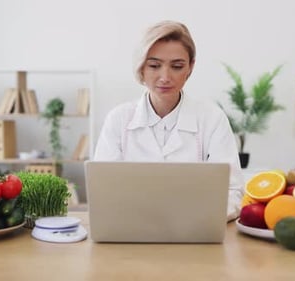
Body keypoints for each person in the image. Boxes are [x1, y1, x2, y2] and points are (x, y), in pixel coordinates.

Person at [94, 20, 244, 221]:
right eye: (155, 65)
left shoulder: (212, 119)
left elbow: (232, 191)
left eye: (177, 66)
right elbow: (104, 190)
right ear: (141, 68)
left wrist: (195, 218)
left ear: (190, 67)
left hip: (195, 233)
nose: (165, 77)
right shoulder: (118, 119)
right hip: (132, 232)